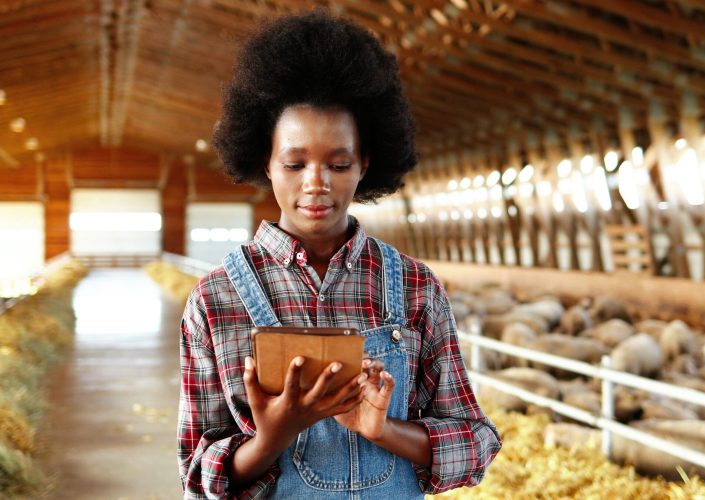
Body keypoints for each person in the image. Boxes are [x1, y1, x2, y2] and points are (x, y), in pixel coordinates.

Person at [178, 9, 501, 499]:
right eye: (294, 162)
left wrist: (382, 429)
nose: (316, 184)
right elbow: (197, 476)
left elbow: (476, 443)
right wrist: (272, 436)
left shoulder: (415, 287)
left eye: (339, 163)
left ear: (365, 165)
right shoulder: (215, 300)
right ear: (265, 162)